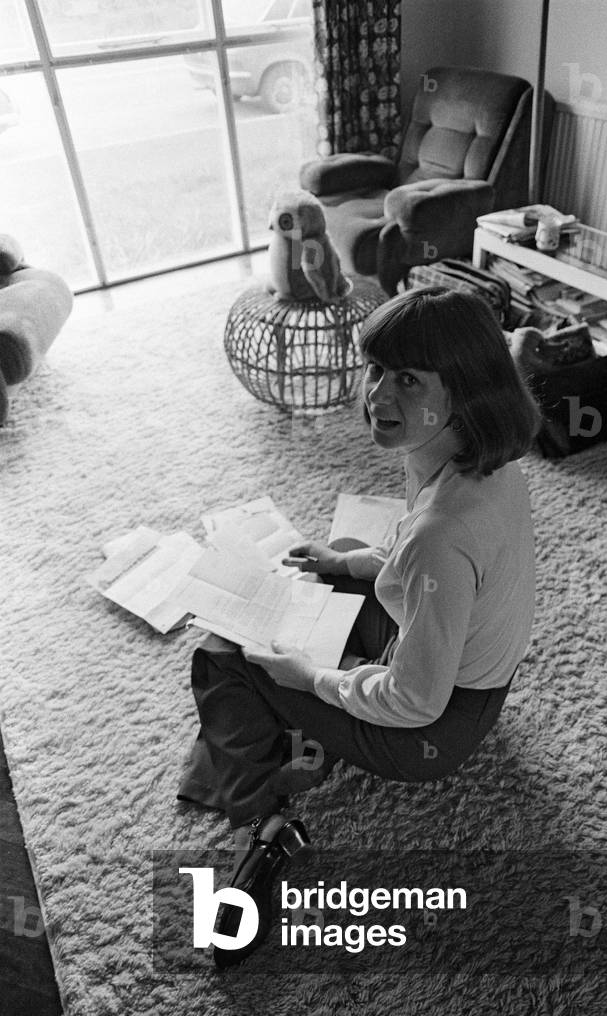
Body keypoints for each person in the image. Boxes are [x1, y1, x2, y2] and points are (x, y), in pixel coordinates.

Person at [177, 287, 541, 966]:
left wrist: (314, 678)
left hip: (434, 729)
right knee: (322, 577)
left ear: (462, 389)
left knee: (224, 655)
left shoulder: (442, 533)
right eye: (375, 369)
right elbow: (432, 565)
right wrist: (358, 560)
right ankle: (277, 736)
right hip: (472, 674)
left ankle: (266, 819)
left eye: (406, 379)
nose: (375, 395)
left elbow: (414, 700)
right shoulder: (480, 460)